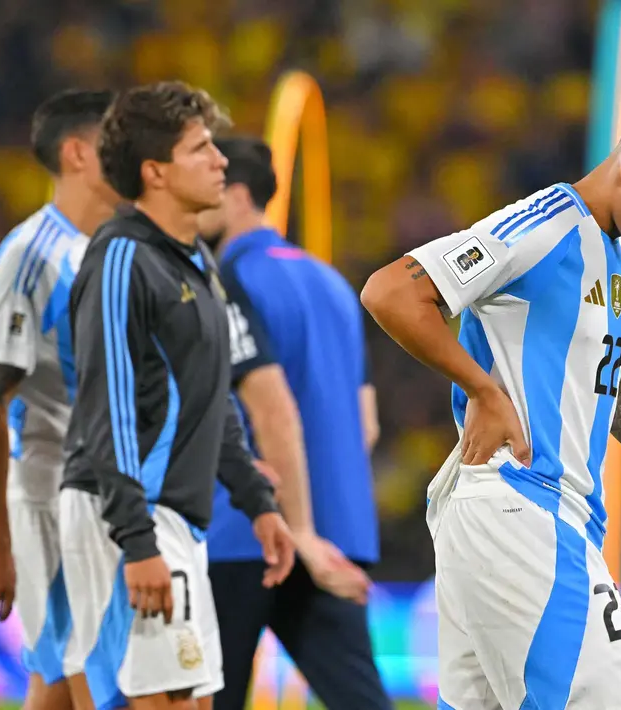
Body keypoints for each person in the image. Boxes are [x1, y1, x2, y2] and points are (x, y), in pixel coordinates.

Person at [361, 89, 621, 710]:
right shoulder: (547, 222)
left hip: (525, 518)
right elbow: (391, 290)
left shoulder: (616, 259)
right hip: (523, 507)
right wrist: (485, 387)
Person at [57, 82, 296, 710]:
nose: (221, 160)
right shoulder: (120, 260)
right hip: (128, 513)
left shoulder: (194, 262)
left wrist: (258, 501)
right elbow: (104, 407)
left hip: (176, 519)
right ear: (154, 171)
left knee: (185, 698)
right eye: (202, 148)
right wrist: (135, 540)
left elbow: (211, 400)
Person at [196, 136, 391, 710]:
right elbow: (367, 423)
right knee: (360, 698)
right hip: (337, 532)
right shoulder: (331, 283)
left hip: (241, 527)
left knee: (209, 698)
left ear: (235, 193)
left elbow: (263, 406)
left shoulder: (221, 285)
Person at [0, 88, 120, 710]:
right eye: (117, 140)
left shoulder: (102, 248)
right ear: (79, 153)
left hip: (98, 500)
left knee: (58, 682)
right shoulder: (32, 255)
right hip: (51, 503)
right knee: (90, 679)